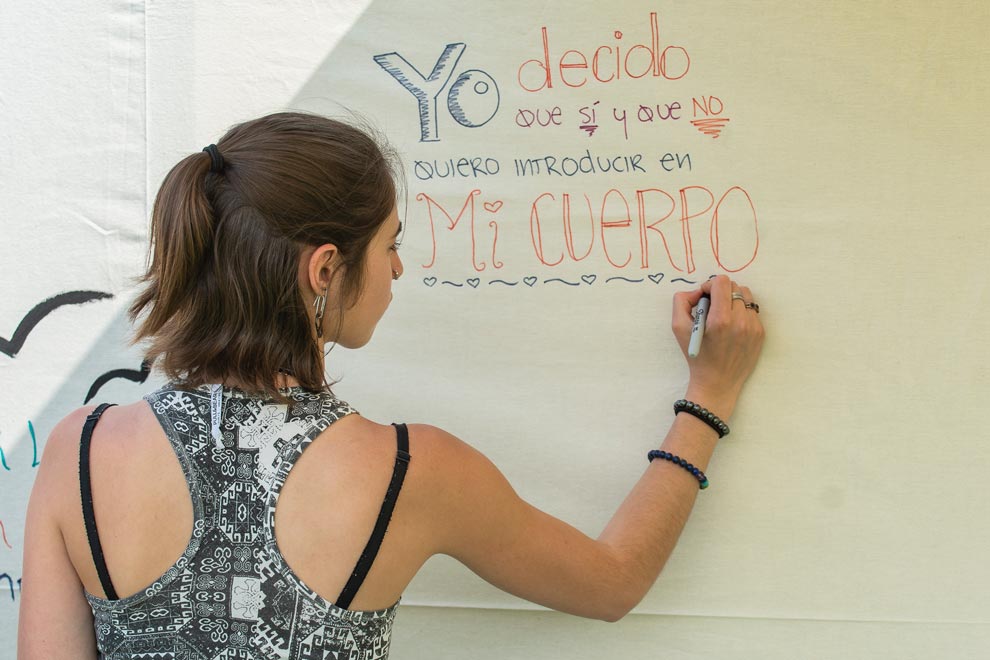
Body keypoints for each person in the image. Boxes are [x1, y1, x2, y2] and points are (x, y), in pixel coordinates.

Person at [17, 112, 764, 659]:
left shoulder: (78, 453)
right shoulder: (413, 472)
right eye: (391, 243)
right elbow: (612, 584)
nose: (399, 268)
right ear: (324, 270)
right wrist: (710, 396)